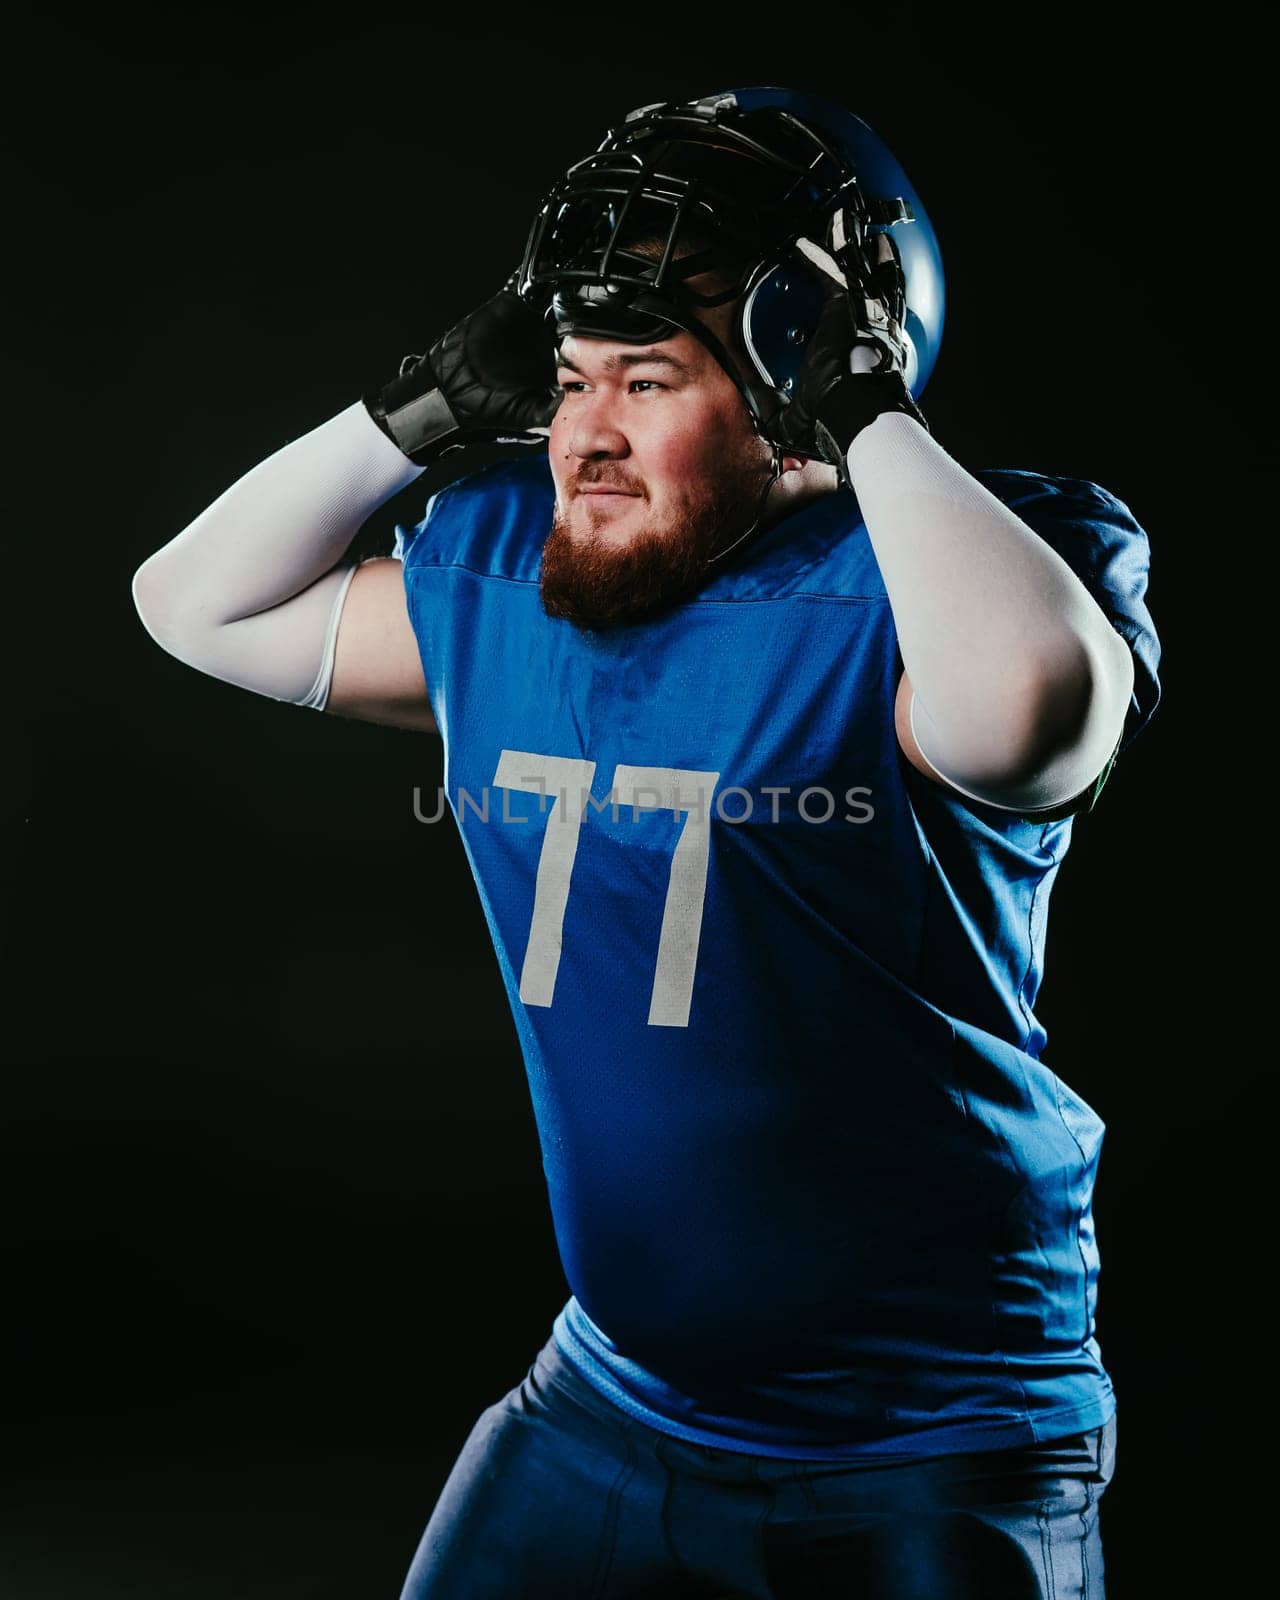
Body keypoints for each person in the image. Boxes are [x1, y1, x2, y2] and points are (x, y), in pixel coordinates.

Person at [131, 87, 1160, 1599]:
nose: (582, 439)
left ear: (794, 395)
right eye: (566, 378)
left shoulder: (946, 592)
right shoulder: (510, 575)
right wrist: (414, 410)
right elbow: (192, 604)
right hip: (614, 1396)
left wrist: (870, 408)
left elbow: (1029, 717)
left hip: (927, 1429)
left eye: (652, 380)